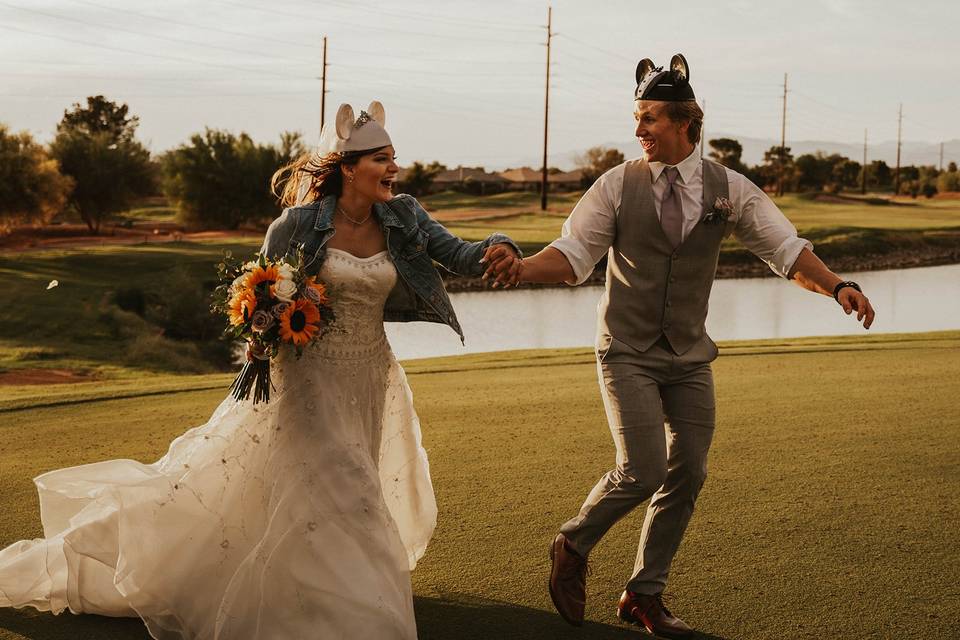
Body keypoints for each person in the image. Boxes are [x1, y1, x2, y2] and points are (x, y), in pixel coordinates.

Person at [0, 101, 522, 639]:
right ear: (347, 166)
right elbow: (260, 298)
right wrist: (261, 331)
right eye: (381, 159)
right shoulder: (295, 225)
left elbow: (461, 253)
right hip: (307, 382)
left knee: (339, 487)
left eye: (395, 159)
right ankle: (360, 617)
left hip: (372, 376)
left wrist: (501, 246)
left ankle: (317, 587)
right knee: (350, 490)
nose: (393, 169)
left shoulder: (405, 214)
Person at [510, 55, 876, 638]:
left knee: (688, 472)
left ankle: (643, 596)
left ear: (685, 123)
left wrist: (839, 285)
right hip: (626, 349)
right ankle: (572, 543)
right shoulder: (615, 185)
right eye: (637, 118)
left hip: (688, 355)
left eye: (650, 118)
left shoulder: (730, 190)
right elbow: (575, 254)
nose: (639, 130)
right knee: (643, 468)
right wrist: (523, 271)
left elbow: (785, 250)